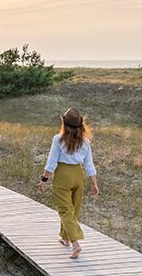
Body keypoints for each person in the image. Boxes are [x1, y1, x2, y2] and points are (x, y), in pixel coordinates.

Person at [37, 107, 99, 258]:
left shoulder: (58, 140)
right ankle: (65, 238)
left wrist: (43, 180)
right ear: (80, 125)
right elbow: (89, 164)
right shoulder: (85, 142)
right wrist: (94, 183)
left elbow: (51, 163)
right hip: (78, 176)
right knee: (74, 210)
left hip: (63, 175)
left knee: (65, 210)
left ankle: (75, 243)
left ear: (64, 123)